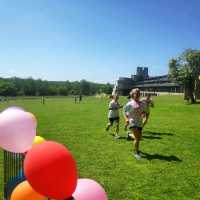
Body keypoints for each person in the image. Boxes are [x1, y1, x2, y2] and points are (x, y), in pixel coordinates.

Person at [124, 88, 145, 160]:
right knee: (137, 138)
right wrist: (126, 119)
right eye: (137, 93)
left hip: (139, 122)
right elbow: (124, 112)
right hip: (132, 121)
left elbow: (143, 112)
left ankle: (129, 135)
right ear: (133, 95)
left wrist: (143, 114)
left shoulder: (142, 103)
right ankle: (136, 153)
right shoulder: (129, 104)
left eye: (139, 93)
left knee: (139, 138)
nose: (138, 94)